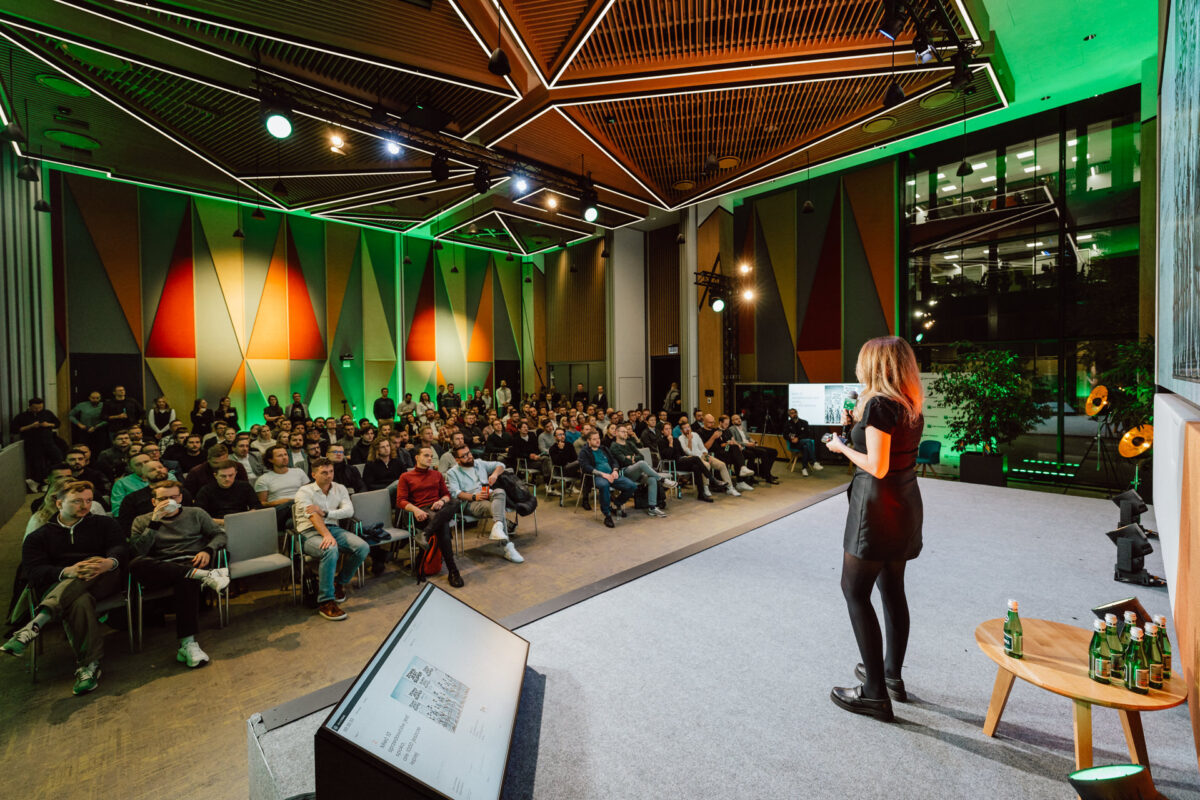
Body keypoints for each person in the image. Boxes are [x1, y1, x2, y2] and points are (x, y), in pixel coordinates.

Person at [822, 336, 925, 722]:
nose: (858, 366)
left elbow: (877, 466)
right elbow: (888, 454)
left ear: (876, 365)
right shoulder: (907, 403)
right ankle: (890, 676)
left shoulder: (880, 405)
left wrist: (840, 447)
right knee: (892, 589)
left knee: (854, 591)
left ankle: (873, 694)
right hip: (903, 503)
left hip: (876, 508)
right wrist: (855, 428)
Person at [2, 481, 128, 695]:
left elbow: (122, 547)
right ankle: (89, 666)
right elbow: (32, 571)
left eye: (88, 500)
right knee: (79, 601)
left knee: (91, 565)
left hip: (105, 580)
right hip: (62, 586)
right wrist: (66, 572)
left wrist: (110, 562)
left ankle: (36, 623)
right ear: (59, 503)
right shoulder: (38, 537)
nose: (85, 506)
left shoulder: (104, 524)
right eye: (77, 501)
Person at [129, 481, 229, 668]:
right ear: (154, 501)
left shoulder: (196, 513)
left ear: (180, 498)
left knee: (186, 579)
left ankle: (188, 643)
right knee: (136, 563)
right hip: (163, 566)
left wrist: (207, 550)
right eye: (163, 498)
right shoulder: (142, 521)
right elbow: (138, 550)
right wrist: (155, 522)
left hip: (193, 560)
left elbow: (219, 535)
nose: (169, 501)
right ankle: (204, 576)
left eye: (173, 497)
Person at [294, 458, 368, 621]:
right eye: (324, 472)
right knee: (330, 549)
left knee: (362, 547)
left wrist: (326, 513)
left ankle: (338, 583)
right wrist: (326, 534)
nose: (329, 476)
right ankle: (326, 601)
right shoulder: (304, 492)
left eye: (331, 472)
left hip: (333, 528)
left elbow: (348, 511)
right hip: (309, 531)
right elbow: (312, 515)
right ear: (313, 474)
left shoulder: (340, 488)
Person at [396, 446, 463, 587]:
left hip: (438, 508)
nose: (429, 458)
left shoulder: (437, 475)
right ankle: (453, 571)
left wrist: (441, 501)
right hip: (421, 512)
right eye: (426, 455)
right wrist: (415, 510)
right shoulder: (406, 477)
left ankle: (425, 534)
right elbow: (400, 501)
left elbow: (447, 495)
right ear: (417, 457)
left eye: (431, 456)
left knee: (456, 501)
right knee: (443, 525)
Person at [446, 446, 524, 563]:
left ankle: (497, 525)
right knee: (496, 508)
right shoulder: (452, 473)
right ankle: (508, 547)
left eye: (469, 453)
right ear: (457, 460)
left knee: (500, 492)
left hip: (488, 494)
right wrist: (473, 496)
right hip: (470, 502)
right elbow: (454, 493)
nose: (469, 456)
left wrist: (494, 475)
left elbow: (500, 465)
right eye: (464, 456)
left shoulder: (478, 463)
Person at [609, 423, 675, 516]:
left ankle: (652, 508)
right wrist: (633, 459)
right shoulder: (614, 446)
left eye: (626, 432)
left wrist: (631, 458)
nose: (625, 433)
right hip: (626, 473)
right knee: (641, 464)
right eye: (623, 431)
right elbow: (624, 461)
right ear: (616, 433)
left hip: (638, 471)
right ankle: (662, 479)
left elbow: (641, 456)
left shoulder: (630, 443)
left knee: (652, 479)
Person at [577, 430, 637, 528]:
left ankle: (617, 503)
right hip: (597, 477)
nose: (597, 441)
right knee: (604, 485)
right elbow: (585, 466)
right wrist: (603, 475)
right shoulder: (584, 452)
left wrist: (615, 470)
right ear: (588, 440)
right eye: (594, 439)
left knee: (632, 486)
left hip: (611, 475)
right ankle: (607, 515)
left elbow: (614, 460)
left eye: (598, 438)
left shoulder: (603, 448)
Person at [13, 397, 64, 490]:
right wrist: (31, 426)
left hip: (48, 441)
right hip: (33, 444)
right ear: (30, 406)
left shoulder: (47, 413)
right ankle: (39, 483)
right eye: (36, 408)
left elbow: (57, 424)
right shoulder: (22, 416)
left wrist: (48, 424)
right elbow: (15, 430)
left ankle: (53, 480)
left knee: (58, 458)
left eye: (40, 407)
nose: (38, 410)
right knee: (38, 464)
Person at [254, 445, 310, 530]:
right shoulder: (263, 479)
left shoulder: (298, 472)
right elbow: (262, 503)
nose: (284, 457)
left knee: (291, 522)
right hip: (279, 510)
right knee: (290, 504)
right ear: (270, 460)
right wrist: (280, 502)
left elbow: (309, 492)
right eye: (280, 456)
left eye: (285, 454)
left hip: (299, 507)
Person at [679, 421, 739, 496]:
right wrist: (690, 440)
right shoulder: (680, 439)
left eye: (688, 427)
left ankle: (730, 487)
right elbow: (688, 452)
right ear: (681, 430)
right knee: (706, 465)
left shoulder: (695, 434)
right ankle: (705, 487)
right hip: (695, 458)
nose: (688, 429)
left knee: (722, 465)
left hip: (703, 455)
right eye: (685, 428)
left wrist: (705, 453)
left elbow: (702, 447)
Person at [195, 460, 262, 523]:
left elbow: (257, 506)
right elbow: (200, 515)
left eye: (231, 475)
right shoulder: (205, 491)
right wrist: (224, 522)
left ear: (235, 474)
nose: (227, 479)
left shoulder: (245, 486)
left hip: (242, 521)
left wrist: (248, 516)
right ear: (215, 475)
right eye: (223, 476)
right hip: (216, 524)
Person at [726, 414, 780, 484]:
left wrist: (754, 441)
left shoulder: (742, 428)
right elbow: (735, 441)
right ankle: (767, 476)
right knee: (764, 452)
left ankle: (765, 472)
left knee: (773, 452)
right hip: (744, 447)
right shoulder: (732, 429)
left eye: (739, 418)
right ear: (732, 422)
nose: (739, 420)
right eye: (736, 419)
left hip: (750, 445)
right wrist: (747, 444)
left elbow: (748, 437)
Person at [785, 408, 821, 476]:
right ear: (789, 415)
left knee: (805, 446)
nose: (794, 414)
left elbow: (807, 434)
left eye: (795, 412)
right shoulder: (787, 424)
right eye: (792, 413)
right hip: (794, 444)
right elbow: (785, 435)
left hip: (802, 442)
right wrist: (791, 439)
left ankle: (804, 468)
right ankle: (814, 462)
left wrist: (798, 438)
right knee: (808, 442)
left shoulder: (804, 422)